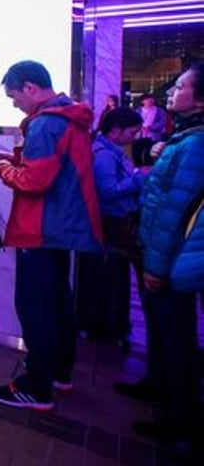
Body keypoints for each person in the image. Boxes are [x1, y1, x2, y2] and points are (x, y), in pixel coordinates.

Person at [0, 60, 102, 411]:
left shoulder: (47, 124)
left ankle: (36, 387)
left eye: (14, 96)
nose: (14, 104)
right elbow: (52, 167)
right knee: (58, 305)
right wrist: (13, 156)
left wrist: (4, 168)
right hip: (59, 228)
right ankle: (58, 373)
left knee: (36, 309)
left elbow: (35, 181)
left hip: (40, 228)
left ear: (31, 88)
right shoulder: (68, 117)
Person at [123, 62, 204, 448]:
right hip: (160, 251)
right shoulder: (185, 138)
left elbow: (178, 211)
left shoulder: (197, 144)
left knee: (177, 339)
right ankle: (159, 389)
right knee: (164, 331)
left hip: (170, 259)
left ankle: (180, 421)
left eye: (182, 86)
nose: (173, 91)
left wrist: (156, 266)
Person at [78, 107, 146, 343]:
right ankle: (108, 327)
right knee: (112, 278)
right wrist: (139, 177)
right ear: (116, 131)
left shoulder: (110, 151)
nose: (134, 137)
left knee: (113, 277)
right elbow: (107, 191)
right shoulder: (105, 155)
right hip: (113, 225)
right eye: (132, 132)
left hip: (114, 225)